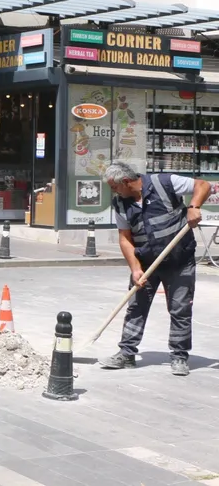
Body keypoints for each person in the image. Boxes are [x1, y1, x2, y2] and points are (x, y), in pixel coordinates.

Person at [99, 161, 208, 377]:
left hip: (179, 260)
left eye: (114, 186)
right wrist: (135, 269)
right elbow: (125, 238)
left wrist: (194, 207)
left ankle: (179, 356)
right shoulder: (120, 204)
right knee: (136, 306)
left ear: (126, 182)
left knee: (180, 309)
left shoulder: (164, 183)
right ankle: (127, 353)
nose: (113, 191)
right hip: (147, 262)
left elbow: (203, 185)